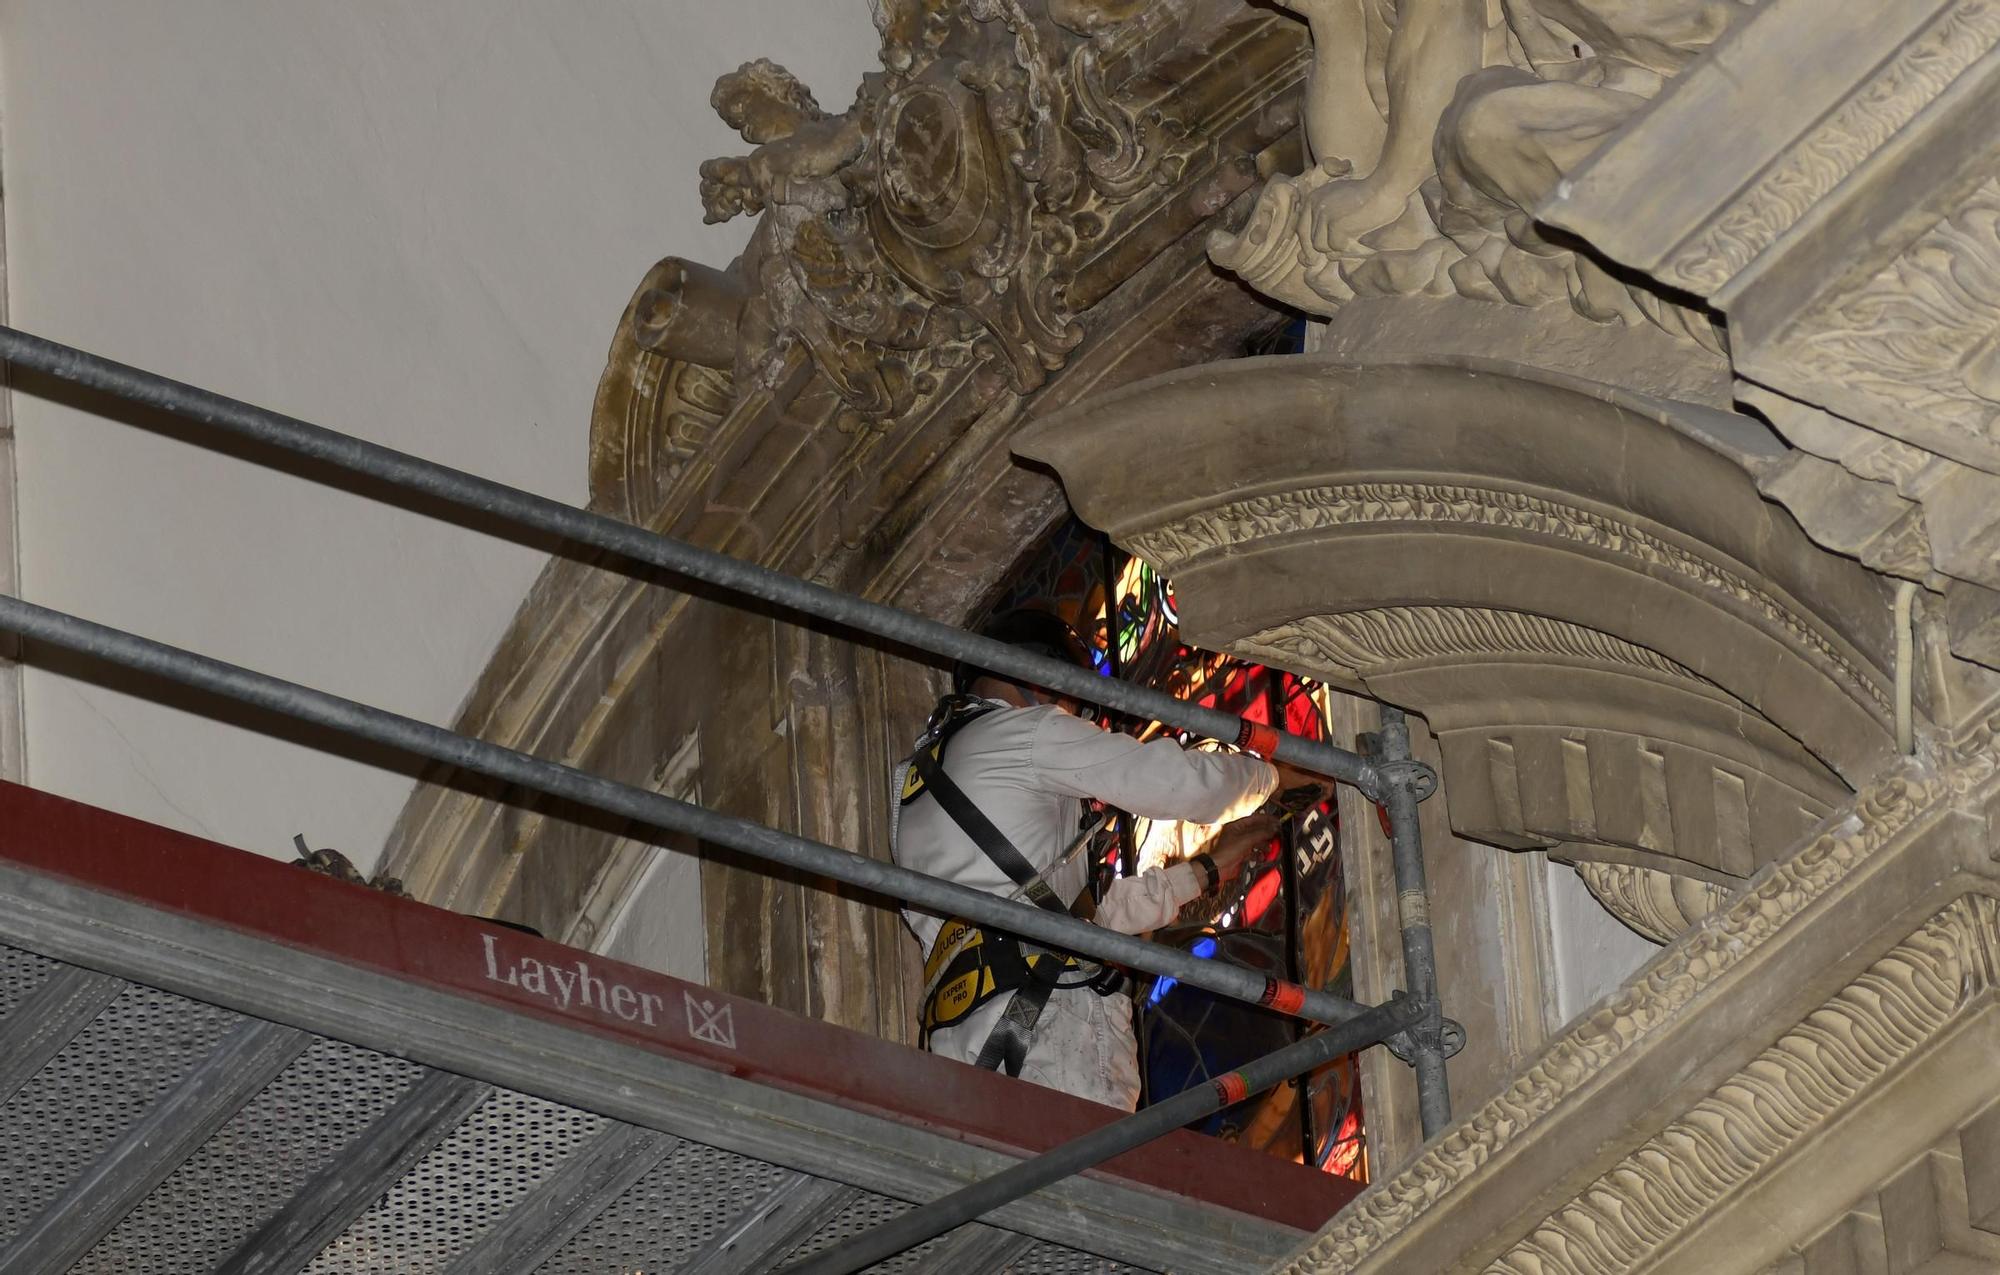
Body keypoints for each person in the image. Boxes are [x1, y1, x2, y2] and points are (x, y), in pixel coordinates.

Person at [891, 609, 1323, 1110]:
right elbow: (1168, 780)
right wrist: (1271, 778)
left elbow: (1078, 922)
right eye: (1074, 702)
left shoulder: (914, 786)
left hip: (972, 1044)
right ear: (1042, 680)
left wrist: (1204, 871)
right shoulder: (1024, 734)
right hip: (1046, 1029)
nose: (1076, 718)